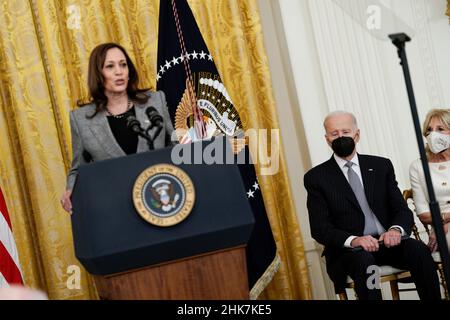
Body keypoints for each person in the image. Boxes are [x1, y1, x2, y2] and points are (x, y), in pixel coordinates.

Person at [303, 110, 441, 300]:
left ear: (357, 135)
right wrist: (355, 240)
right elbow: (320, 229)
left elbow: (401, 210)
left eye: (346, 132)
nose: (340, 137)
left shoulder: (380, 166)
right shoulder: (316, 178)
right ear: (327, 139)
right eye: (334, 134)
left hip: (388, 244)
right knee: (367, 267)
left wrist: (395, 230)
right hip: (351, 252)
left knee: (419, 252)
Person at [61, 43, 175, 213]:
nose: (119, 72)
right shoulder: (81, 119)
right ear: (98, 75)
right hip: (118, 207)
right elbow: (78, 168)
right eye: (110, 66)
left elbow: (175, 143)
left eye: (123, 64)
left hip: (161, 197)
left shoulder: (155, 101)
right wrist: (70, 190)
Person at [409, 108, 450, 254]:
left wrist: (445, 223)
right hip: (440, 228)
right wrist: (444, 223)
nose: (433, 135)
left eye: (440, 129)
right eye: (429, 131)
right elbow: (424, 214)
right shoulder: (418, 167)